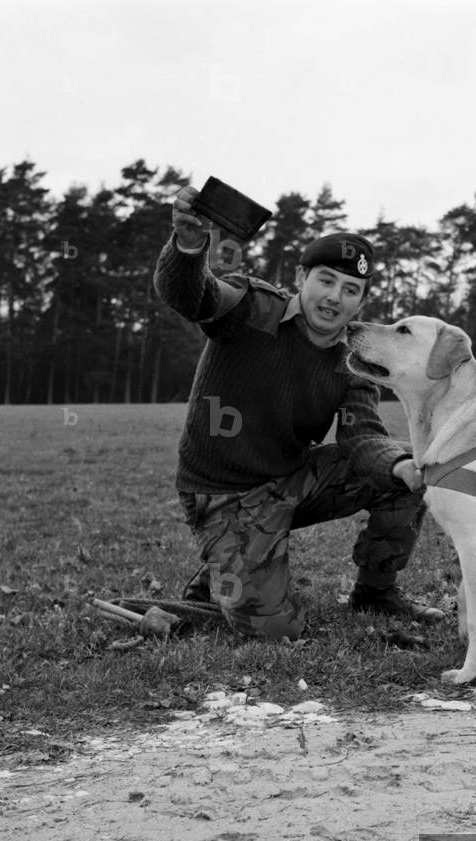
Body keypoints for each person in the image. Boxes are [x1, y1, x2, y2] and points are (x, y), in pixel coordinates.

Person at [153, 184, 443, 639]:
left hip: (290, 480)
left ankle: (376, 592)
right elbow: (193, 297)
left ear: (362, 301)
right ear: (301, 276)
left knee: (401, 466)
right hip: (222, 492)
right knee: (275, 631)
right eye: (325, 281)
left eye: (351, 290)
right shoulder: (249, 305)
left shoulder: (354, 361)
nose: (334, 298)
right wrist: (189, 247)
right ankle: (225, 564)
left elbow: (362, 437)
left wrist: (403, 467)